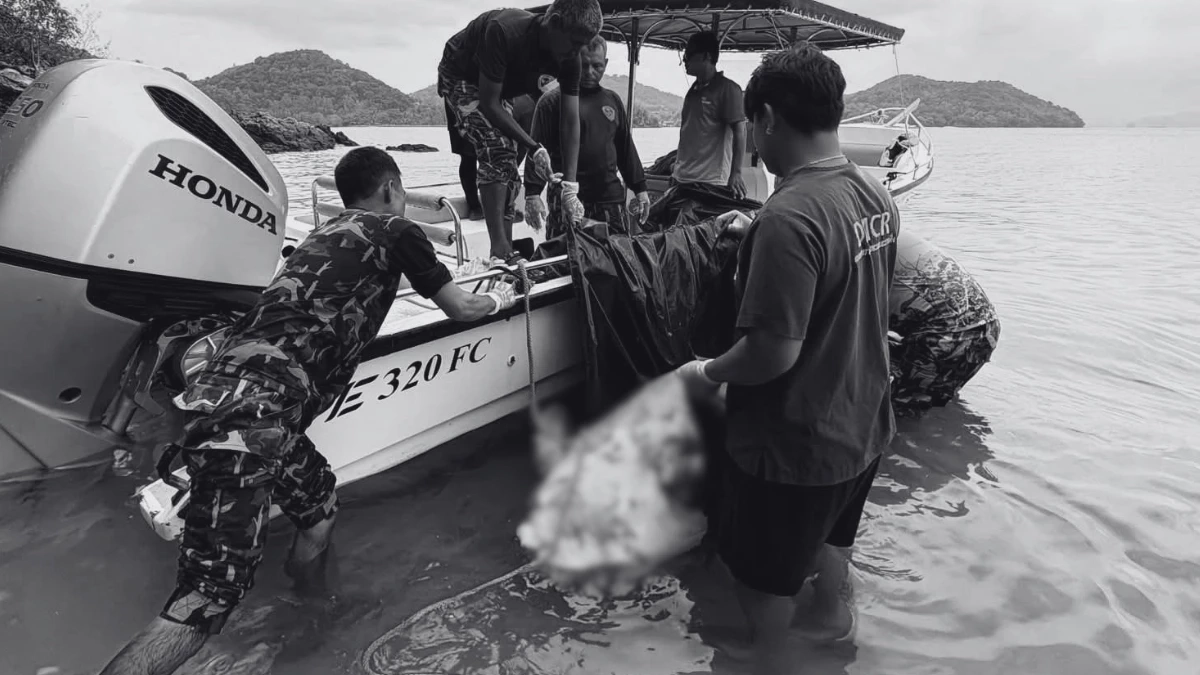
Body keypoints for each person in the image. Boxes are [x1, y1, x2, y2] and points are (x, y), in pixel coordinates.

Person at [99, 147, 522, 675]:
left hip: (235, 403)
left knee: (319, 508)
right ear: (392, 189)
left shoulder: (322, 234)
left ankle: (310, 611)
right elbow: (461, 307)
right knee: (205, 600)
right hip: (257, 417)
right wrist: (503, 294)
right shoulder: (396, 231)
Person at [677, 43, 900, 674]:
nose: (752, 143)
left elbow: (773, 352)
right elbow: (842, 275)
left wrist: (705, 372)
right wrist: (760, 233)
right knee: (832, 550)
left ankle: (768, 661)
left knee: (763, 583)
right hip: (864, 423)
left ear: (769, 117)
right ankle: (833, 636)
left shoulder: (790, 214)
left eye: (754, 127)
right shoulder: (872, 194)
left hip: (798, 444)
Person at [438, 0, 602, 266]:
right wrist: (535, 147)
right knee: (498, 146)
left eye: (582, 45)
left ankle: (507, 245)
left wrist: (570, 187)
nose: (578, 52)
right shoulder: (503, 31)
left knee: (512, 157)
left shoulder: (571, 57)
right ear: (555, 22)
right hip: (461, 74)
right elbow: (490, 104)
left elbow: (570, 120)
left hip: (502, 87)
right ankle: (500, 250)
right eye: (574, 43)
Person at [522, 35, 650, 238]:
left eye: (597, 66)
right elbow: (536, 152)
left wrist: (640, 188)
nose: (590, 72)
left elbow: (625, 148)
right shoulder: (551, 101)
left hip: (609, 198)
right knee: (565, 257)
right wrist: (532, 194)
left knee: (614, 257)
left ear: (606, 64)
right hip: (566, 197)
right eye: (585, 64)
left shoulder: (612, 100)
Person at [889, 225, 1001, 414]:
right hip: (983, 322)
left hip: (949, 334)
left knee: (895, 416)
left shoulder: (840, 246)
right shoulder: (878, 228)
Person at [672, 31, 747, 198]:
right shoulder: (693, 90)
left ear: (706, 56)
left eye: (689, 54)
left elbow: (740, 132)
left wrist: (736, 173)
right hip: (682, 178)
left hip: (710, 182)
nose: (684, 59)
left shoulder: (728, 90)